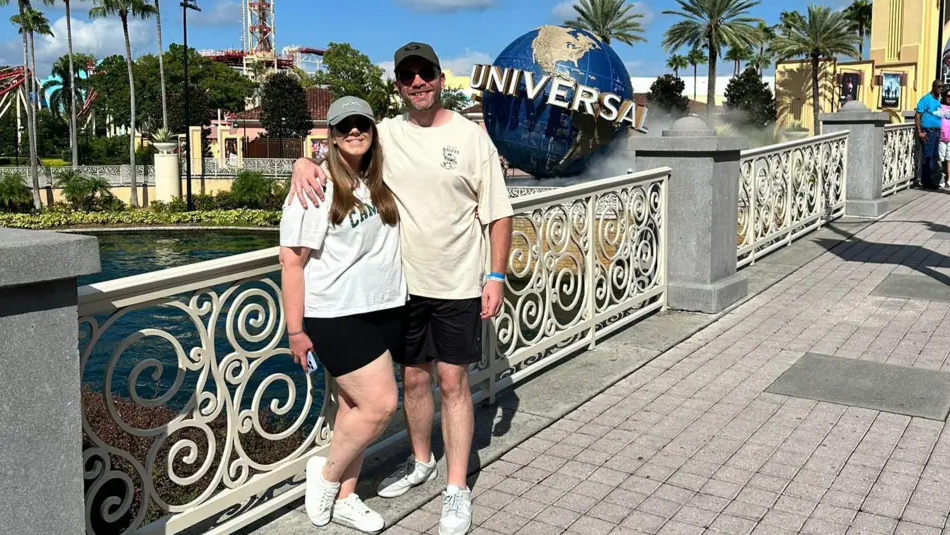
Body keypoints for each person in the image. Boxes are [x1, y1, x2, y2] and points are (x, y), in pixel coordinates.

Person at [288, 42, 514, 535]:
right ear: (398, 84)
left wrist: (495, 276)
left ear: (439, 77)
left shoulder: (473, 138)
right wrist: (301, 162)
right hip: (401, 290)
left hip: (457, 284)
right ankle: (420, 461)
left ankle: (456, 490)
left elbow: (499, 214)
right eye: (407, 75)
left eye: (425, 73)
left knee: (452, 384)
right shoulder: (384, 132)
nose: (417, 82)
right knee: (413, 381)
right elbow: (339, 146)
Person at [280, 96, 406, 533]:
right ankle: (326, 477)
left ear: (373, 131)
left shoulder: (378, 179)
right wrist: (295, 330)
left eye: (362, 125)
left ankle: (347, 499)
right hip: (336, 314)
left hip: (381, 308)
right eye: (343, 126)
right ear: (330, 136)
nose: (354, 132)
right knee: (382, 403)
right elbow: (291, 262)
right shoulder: (314, 188)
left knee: (354, 407)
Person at [916, 80, 945, 189]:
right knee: (927, 157)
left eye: (942, 87)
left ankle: (930, 180)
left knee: (933, 156)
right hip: (928, 132)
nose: (941, 89)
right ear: (933, 87)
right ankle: (926, 181)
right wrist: (920, 132)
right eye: (939, 86)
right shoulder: (926, 99)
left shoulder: (937, 100)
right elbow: (918, 115)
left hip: (936, 132)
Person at [940, 91, 950, 188]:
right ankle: (941, 177)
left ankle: (949, 179)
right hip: (941, 137)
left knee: (949, 159)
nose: (949, 98)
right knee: (941, 158)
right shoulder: (940, 107)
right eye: (948, 96)